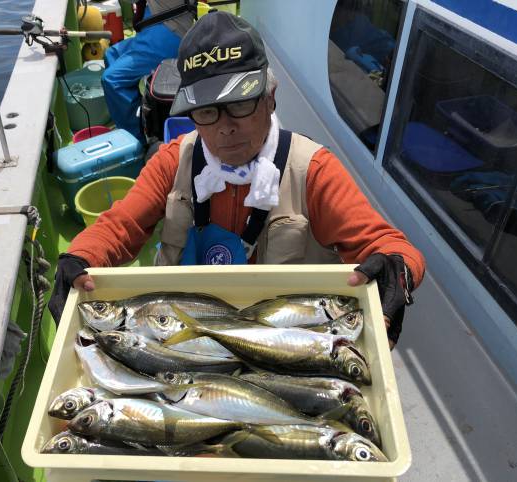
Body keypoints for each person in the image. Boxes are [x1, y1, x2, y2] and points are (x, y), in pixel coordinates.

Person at [50, 11, 426, 348]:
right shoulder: (173, 161)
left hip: (283, 344)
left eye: (241, 104)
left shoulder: (312, 170)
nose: (225, 127)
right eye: (206, 111)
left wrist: (397, 269)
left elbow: (387, 245)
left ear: (270, 97)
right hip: (185, 336)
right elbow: (120, 225)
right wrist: (79, 257)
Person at [102, 0, 197, 142]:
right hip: (155, 26)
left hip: (168, 33)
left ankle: (135, 139)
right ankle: (134, 114)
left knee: (112, 79)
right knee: (111, 54)